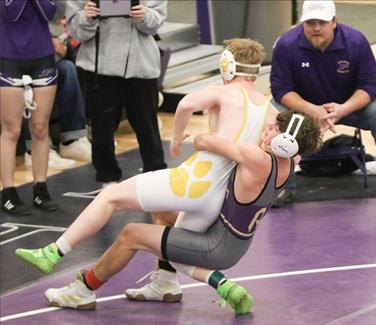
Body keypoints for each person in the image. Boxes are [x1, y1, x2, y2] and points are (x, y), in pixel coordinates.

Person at [15, 36, 276, 287]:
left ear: (227, 65)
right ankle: (193, 287)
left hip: (193, 181)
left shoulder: (224, 92)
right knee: (175, 248)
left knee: (110, 197)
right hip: (216, 198)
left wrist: (176, 139)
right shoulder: (268, 110)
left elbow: (185, 104)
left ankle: (54, 251)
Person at [23, 111, 322, 315]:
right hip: (233, 242)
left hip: (215, 245)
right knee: (164, 211)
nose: (266, 129)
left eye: (273, 129)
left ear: (285, 140)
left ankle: (83, 290)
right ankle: (166, 284)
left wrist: (201, 136)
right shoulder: (288, 164)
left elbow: (207, 142)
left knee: (131, 235)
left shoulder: (258, 158)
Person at [270, 0, 376, 209]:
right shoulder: (286, 45)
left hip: (348, 106)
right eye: (310, 22)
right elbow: (280, 90)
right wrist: (312, 110)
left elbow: (370, 85)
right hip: (304, 108)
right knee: (273, 115)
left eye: (322, 22)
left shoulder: (355, 41)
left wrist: (343, 109)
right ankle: (280, 185)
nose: (316, 28)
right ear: (302, 23)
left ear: (334, 22)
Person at [65, 1, 167, 187]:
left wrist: (144, 15)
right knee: (102, 128)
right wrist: (87, 16)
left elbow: (157, 22)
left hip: (141, 64)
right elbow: (75, 31)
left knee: (148, 127)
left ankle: (155, 178)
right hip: (100, 66)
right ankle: (107, 178)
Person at [1, 0, 59, 215]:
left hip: (42, 54)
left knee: (40, 127)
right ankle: (7, 191)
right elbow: (10, 12)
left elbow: (50, 11)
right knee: (12, 130)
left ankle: (40, 188)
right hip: (7, 55)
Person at [22, 18, 92, 168]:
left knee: (67, 69)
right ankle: (34, 150)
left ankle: (72, 140)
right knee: (26, 80)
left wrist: (63, 48)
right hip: (14, 64)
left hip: (43, 59)